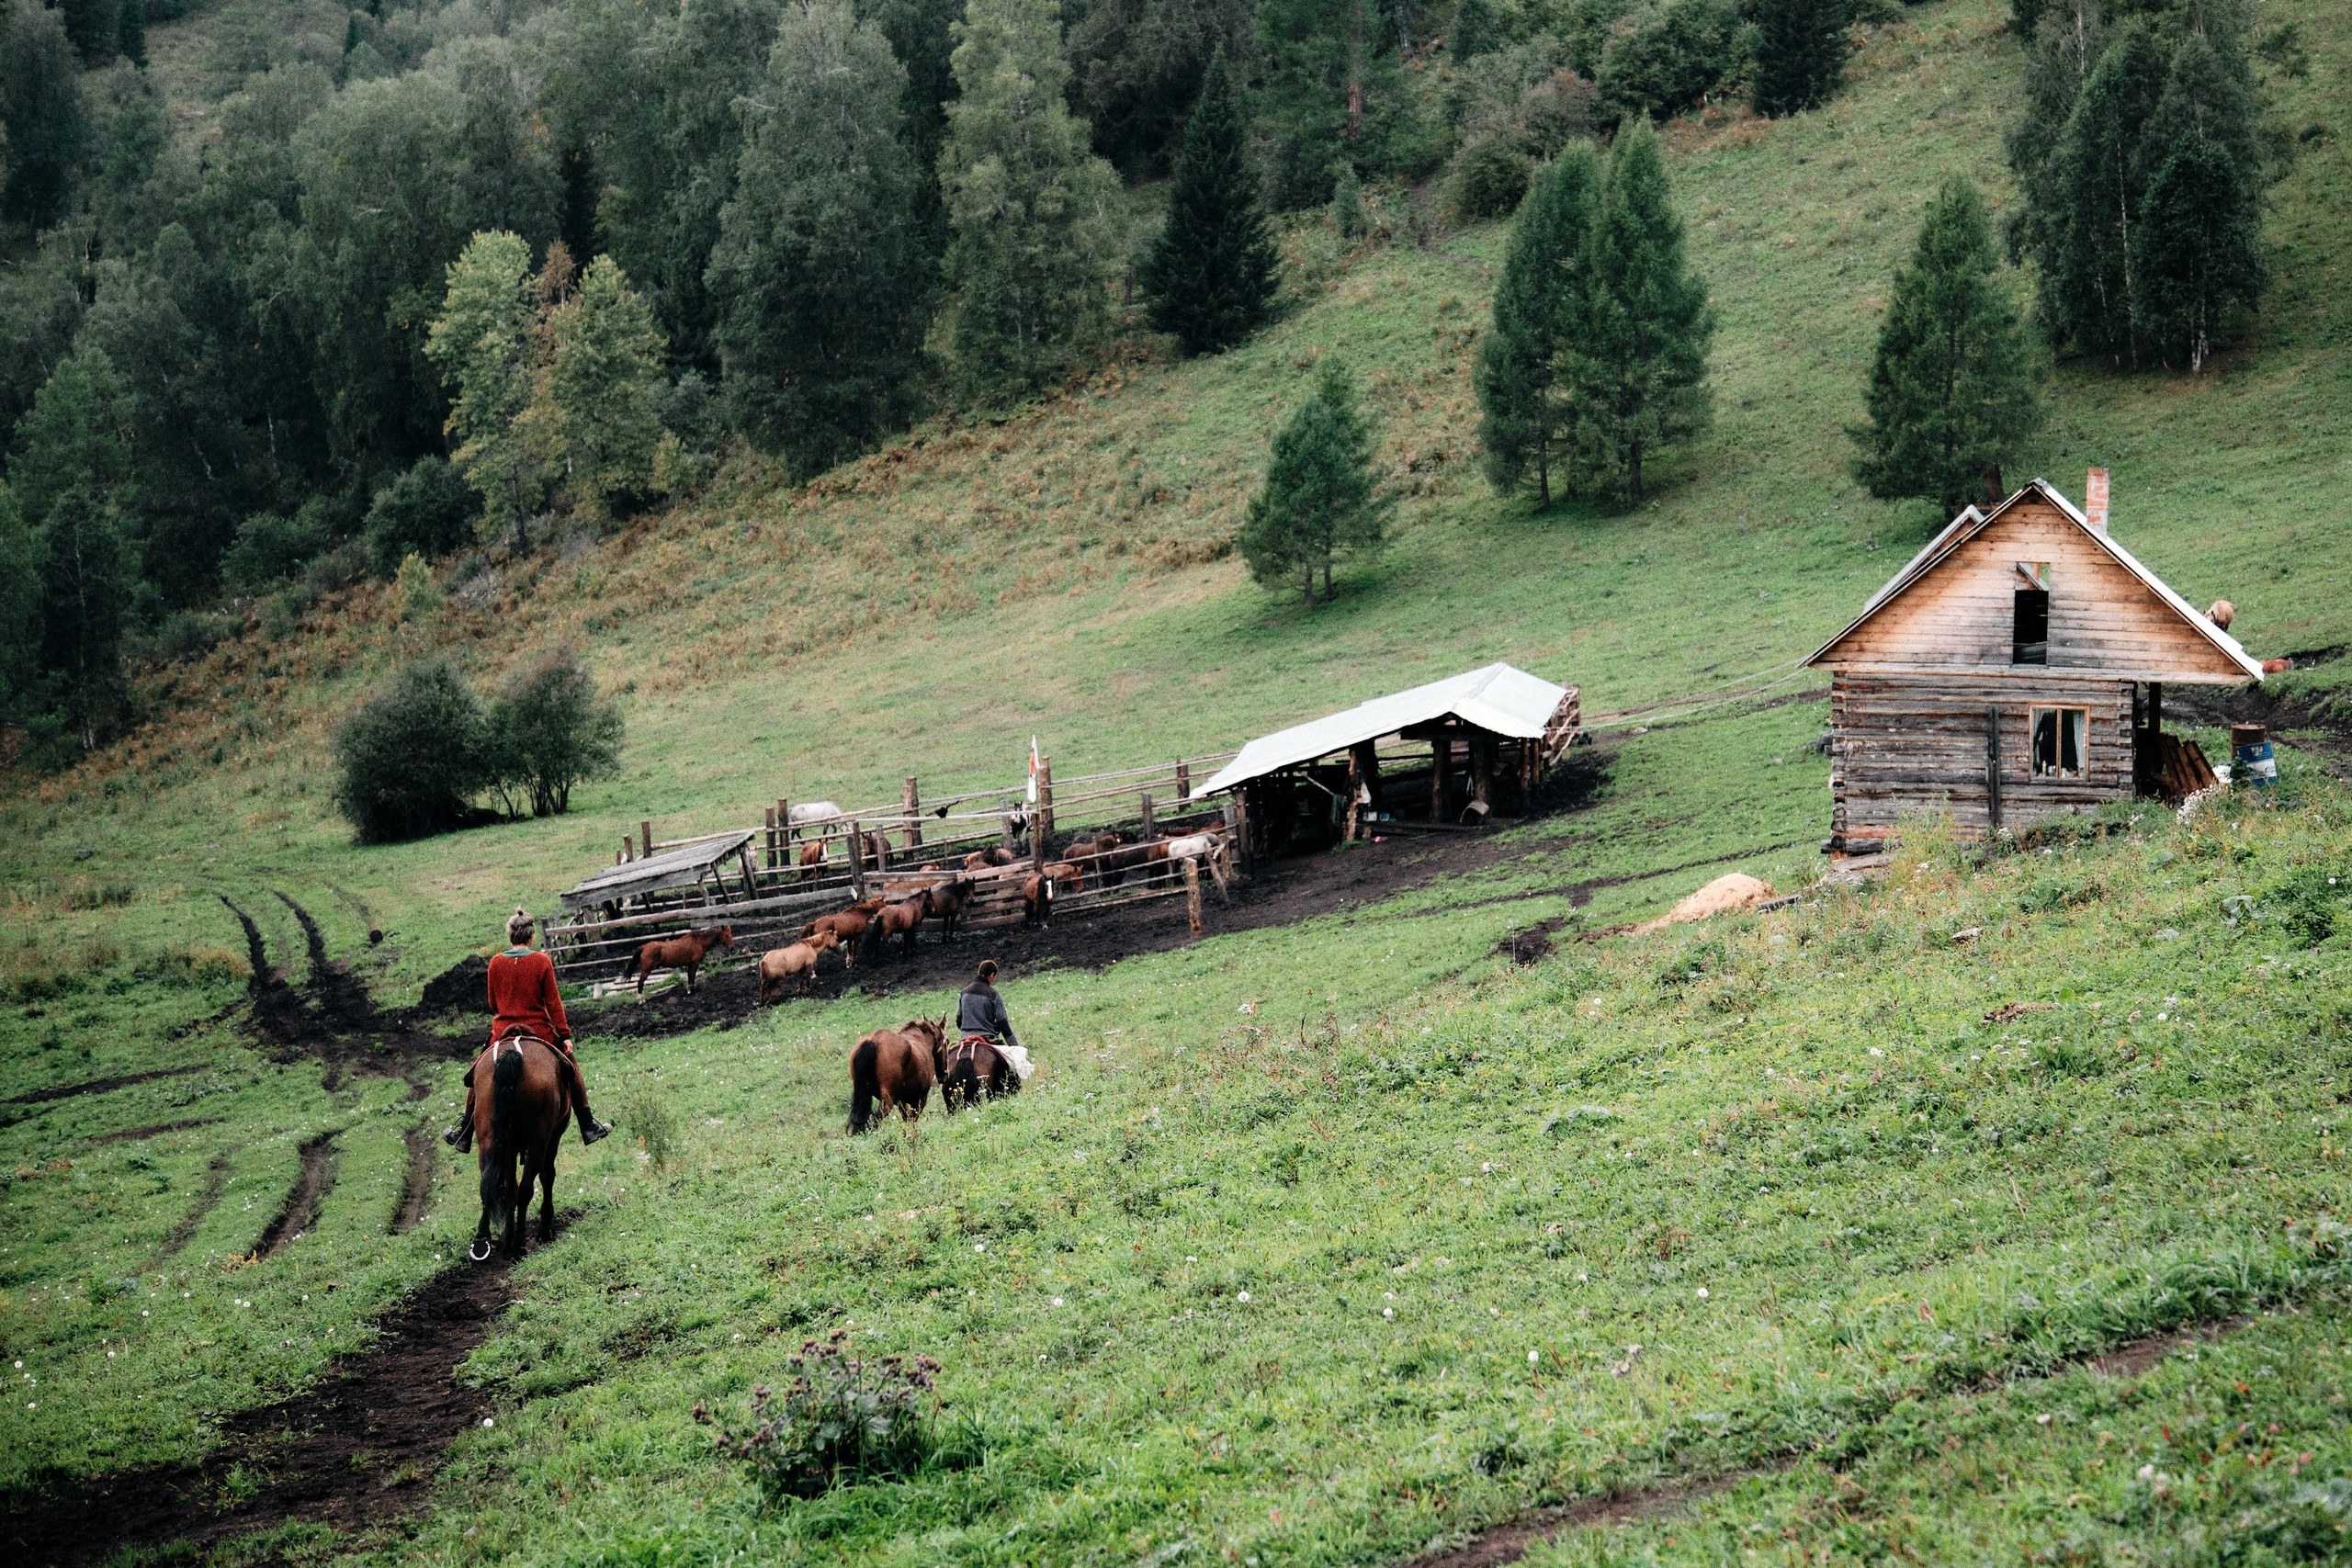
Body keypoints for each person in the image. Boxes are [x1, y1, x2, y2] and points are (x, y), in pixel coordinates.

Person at [444, 908, 612, 1152]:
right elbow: (553, 1002)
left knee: (478, 1073)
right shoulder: (541, 961)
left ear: (510, 936)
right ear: (531, 937)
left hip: (503, 1032)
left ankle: (464, 1132)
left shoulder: (495, 963)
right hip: (539, 1031)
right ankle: (588, 1125)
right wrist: (564, 1035)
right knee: (571, 1066)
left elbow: (493, 1003)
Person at [956, 959, 1021, 1057]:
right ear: (992, 974)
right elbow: (1003, 1023)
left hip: (966, 1039)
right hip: (988, 1038)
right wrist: (1015, 1047)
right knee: (1009, 1066)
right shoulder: (994, 995)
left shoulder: (964, 993)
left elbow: (959, 1021)